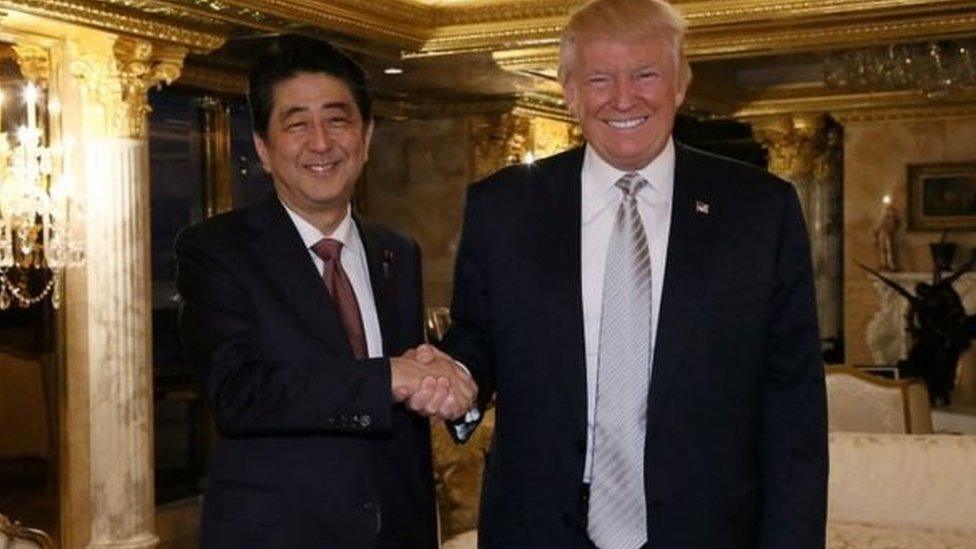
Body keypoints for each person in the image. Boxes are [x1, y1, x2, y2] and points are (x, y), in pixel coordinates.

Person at [427, 0, 828, 546]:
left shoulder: (760, 210)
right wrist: (457, 377)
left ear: (681, 83)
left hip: (707, 531)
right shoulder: (503, 208)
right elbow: (479, 338)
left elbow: (794, 405)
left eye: (645, 75)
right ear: (568, 92)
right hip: (539, 527)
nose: (623, 98)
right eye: (599, 78)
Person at [175, 35, 475, 548]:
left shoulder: (397, 253)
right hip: (277, 535)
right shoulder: (215, 249)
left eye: (338, 120)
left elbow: (401, 403)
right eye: (296, 124)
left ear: (366, 137)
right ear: (265, 151)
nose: (320, 142)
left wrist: (447, 386)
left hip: (399, 530)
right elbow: (237, 392)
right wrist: (389, 378)